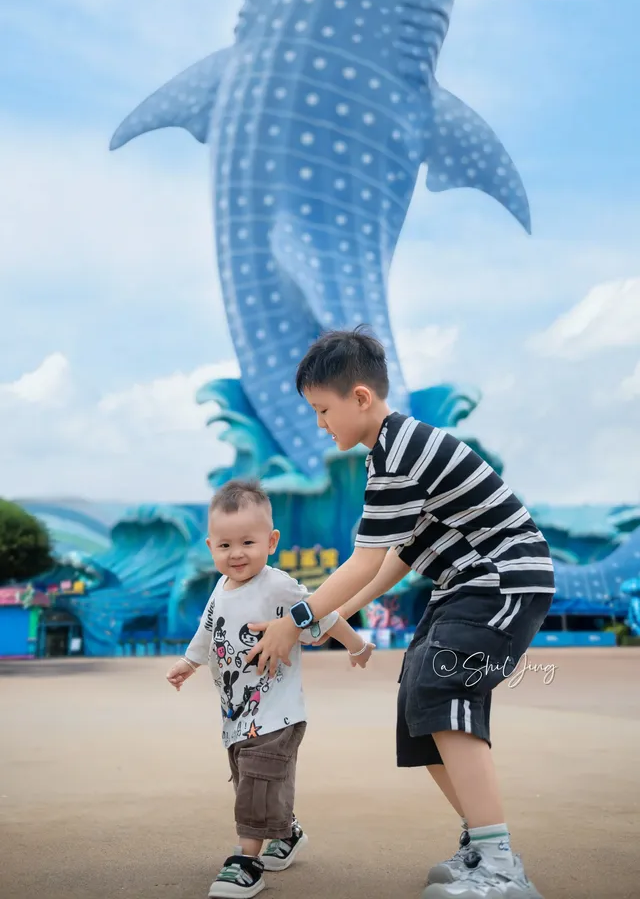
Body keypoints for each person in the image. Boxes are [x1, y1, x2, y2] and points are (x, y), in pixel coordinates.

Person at [245, 327, 554, 899]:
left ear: (360, 398)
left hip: (499, 579)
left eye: (323, 410)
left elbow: (362, 563)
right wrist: (327, 622)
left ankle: (501, 866)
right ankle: (484, 845)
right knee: (419, 698)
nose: (320, 425)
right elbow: (394, 559)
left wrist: (294, 621)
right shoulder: (388, 455)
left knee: (441, 691)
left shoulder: (400, 450)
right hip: (466, 583)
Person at [166, 479, 373, 899]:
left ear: (271, 541)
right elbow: (208, 631)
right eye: (224, 546)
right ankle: (287, 833)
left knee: (258, 782)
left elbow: (325, 613)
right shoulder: (220, 587)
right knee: (252, 780)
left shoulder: (278, 585)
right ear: (210, 546)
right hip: (238, 713)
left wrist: (358, 645)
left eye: (247, 542)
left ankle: (246, 861)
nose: (236, 553)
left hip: (276, 711)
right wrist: (189, 662)